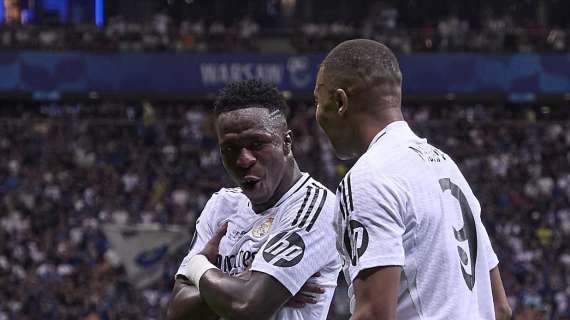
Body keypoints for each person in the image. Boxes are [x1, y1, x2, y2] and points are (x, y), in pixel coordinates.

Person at [313, 39, 512, 320]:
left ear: (340, 102)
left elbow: (373, 314)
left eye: (317, 101)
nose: (317, 114)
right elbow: (500, 308)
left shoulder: (369, 177)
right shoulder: (448, 168)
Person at [167, 79, 341, 320]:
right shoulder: (221, 205)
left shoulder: (315, 207)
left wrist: (198, 267)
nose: (243, 160)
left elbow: (248, 307)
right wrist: (247, 285)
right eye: (229, 149)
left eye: (257, 143)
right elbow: (177, 312)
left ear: (286, 142)